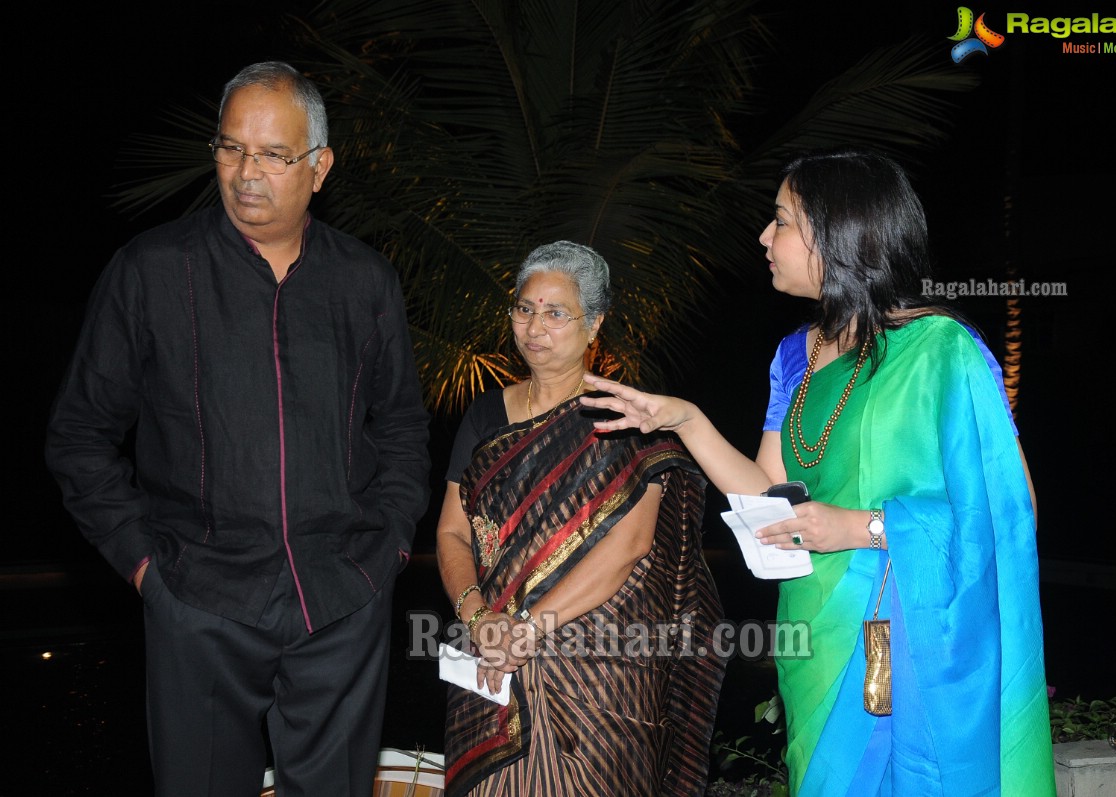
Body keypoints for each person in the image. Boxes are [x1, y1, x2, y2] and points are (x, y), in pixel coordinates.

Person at [580, 148, 1055, 795]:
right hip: (815, 634)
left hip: (908, 631)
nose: (763, 237)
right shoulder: (791, 356)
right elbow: (767, 493)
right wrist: (685, 419)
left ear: (836, 234)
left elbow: (1008, 509)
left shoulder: (941, 351)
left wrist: (861, 526)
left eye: (779, 221)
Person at [44, 61, 431, 796]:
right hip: (201, 602)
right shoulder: (151, 270)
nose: (246, 172)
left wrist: (384, 549)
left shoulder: (364, 280)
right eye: (229, 148)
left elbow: (402, 425)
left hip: (341, 601)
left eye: (273, 155)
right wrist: (147, 571)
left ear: (319, 167)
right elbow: (80, 435)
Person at [434, 240, 727, 796]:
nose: (534, 326)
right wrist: (479, 621)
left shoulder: (627, 415)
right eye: (524, 308)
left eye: (555, 313)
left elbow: (630, 545)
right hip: (492, 655)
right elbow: (452, 530)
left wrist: (527, 629)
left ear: (594, 326)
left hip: (599, 672)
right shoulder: (483, 417)